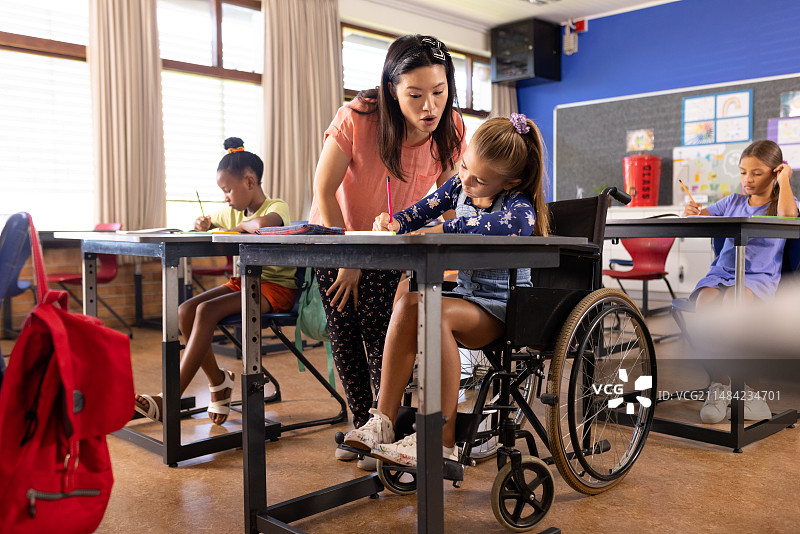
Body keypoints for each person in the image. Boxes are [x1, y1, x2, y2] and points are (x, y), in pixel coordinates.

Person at [343, 114, 550, 467]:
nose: (466, 180)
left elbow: (502, 225)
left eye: (480, 179)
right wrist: (394, 222)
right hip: (468, 298)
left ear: (510, 180)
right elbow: (417, 213)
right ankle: (382, 422)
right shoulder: (459, 186)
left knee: (432, 312)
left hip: (504, 308)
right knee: (409, 301)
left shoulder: (519, 208)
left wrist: (443, 228)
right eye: (464, 166)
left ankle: (440, 440)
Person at [309, 34, 466, 469]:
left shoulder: (449, 129)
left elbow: (455, 200)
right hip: (336, 237)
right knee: (345, 331)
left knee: (382, 331)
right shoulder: (358, 118)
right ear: (391, 90)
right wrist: (348, 256)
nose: (429, 107)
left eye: (439, 92)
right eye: (415, 95)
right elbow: (323, 192)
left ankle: (384, 423)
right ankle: (364, 425)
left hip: (392, 242)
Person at [134, 137, 297, 425]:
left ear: (249, 181)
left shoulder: (276, 205)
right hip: (244, 283)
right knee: (185, 311)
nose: (225, 197)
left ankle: (169, 398)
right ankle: (219, 383)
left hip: (275, 287)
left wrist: (237, 227)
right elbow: (211, 219)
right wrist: (204, 224)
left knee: (205, 312)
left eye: (228, 190)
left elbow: (262, 225)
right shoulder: (233, 209)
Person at [683, 139, 798, 424]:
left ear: (775, 172)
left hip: (758, 279)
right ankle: (721, 386)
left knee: (735, 308)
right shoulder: (732, 202)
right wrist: (695, 212)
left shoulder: (783, 202)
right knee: (706, 306)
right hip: (721, 273)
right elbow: (703, 218)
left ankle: (749, 393)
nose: (748, 179)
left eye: (757, 172)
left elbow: (789, 218)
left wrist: (784, 180)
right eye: (743, 172)